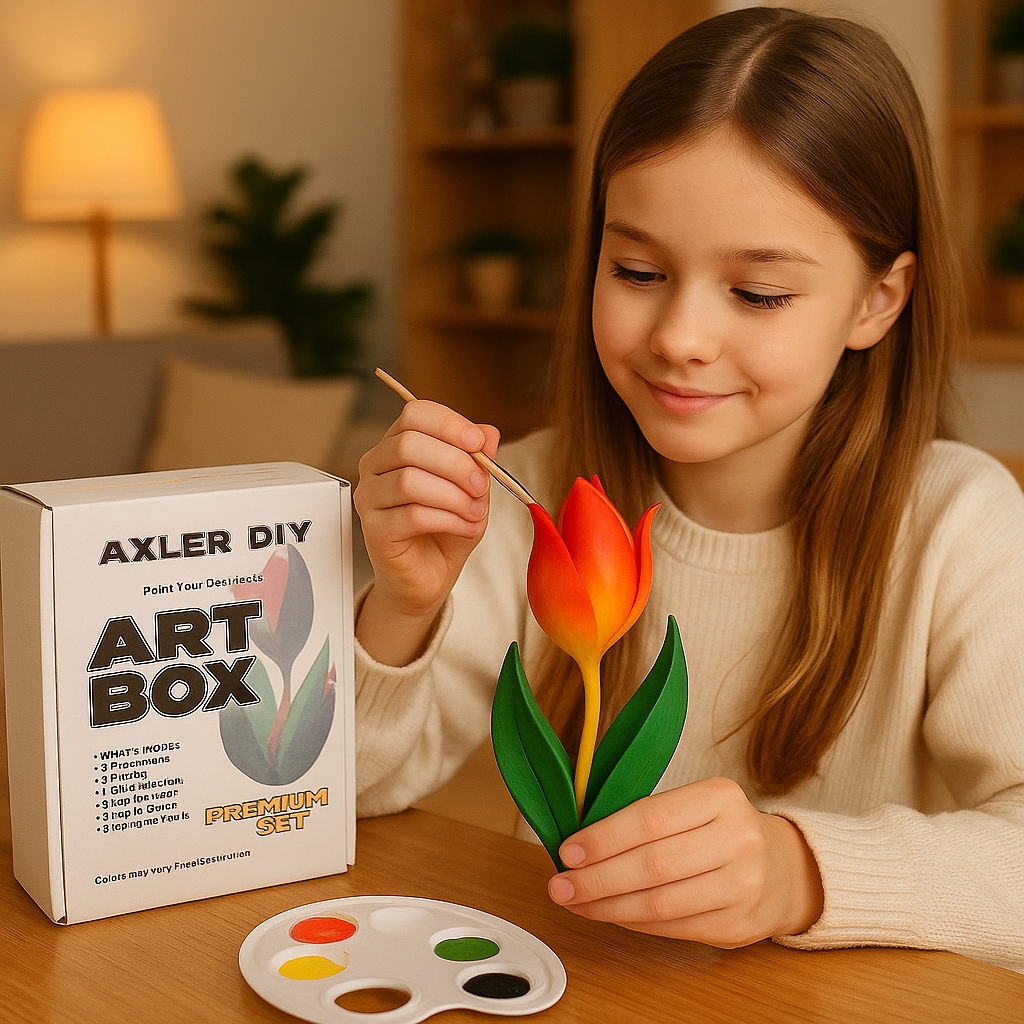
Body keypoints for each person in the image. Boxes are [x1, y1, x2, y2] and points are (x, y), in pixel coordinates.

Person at [353, 7, 1024, 970]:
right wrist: (402, 606)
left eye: (757, 293)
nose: (680, 336)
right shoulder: (530, 498)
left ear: (878, 299)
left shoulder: (960, 524)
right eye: (637, 270)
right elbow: (353, 800)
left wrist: (799, 871)